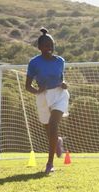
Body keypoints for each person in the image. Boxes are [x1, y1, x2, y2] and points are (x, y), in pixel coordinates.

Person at [25, 27, 68, 174]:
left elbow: (61, 79)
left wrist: (64, 84)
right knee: (47, 128)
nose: (49, 48)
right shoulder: (34, 63)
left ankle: (50, 164)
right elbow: (27, 86)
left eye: (51, 45)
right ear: (39, 47)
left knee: (54, 124)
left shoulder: (60, 61)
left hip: (59, 95)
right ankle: (57, 141)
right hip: (42, 96)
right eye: (46, 46)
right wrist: (37, 91)